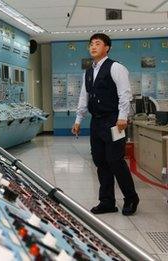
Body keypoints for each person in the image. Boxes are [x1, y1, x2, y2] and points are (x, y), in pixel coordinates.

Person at [71, 33, 139, 216]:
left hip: (114, 121)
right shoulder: (88, 72)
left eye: (97, 43)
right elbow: (84, 97)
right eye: (91, 44)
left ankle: (131, 198)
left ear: (107, 47)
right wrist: (78, 120)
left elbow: (125, 94)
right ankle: (107, 201)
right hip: (97, 122)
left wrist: (123, 117)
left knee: (116, 160)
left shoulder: (116, 67)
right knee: (100, 161)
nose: (93, 47)